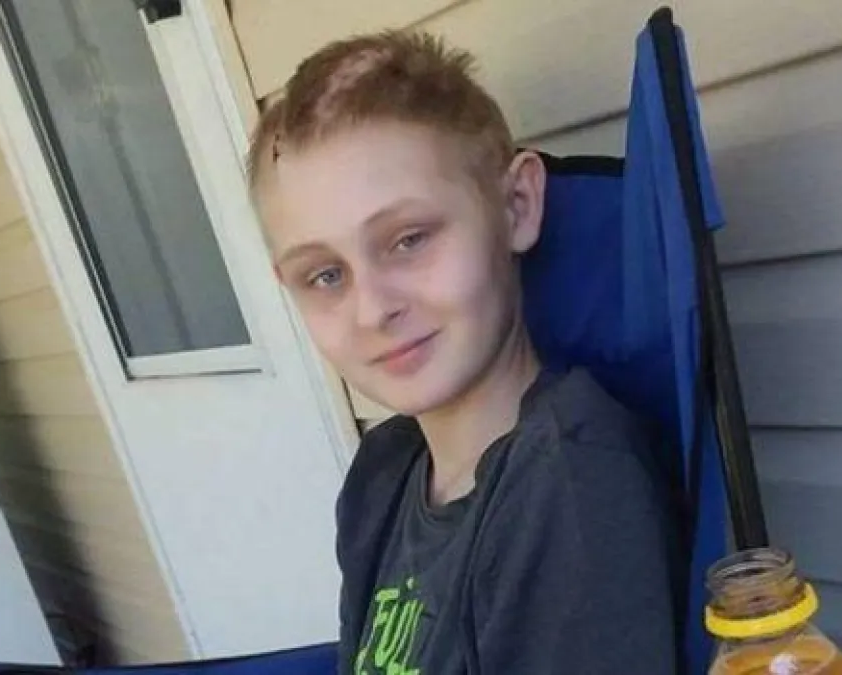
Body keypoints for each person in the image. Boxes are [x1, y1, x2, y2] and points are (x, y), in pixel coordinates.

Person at [246, 30, 679, 675]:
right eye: (325, 275)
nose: (373, 309)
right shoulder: (384, 474)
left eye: (409, 239)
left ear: (516, 206)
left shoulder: (571, 486)